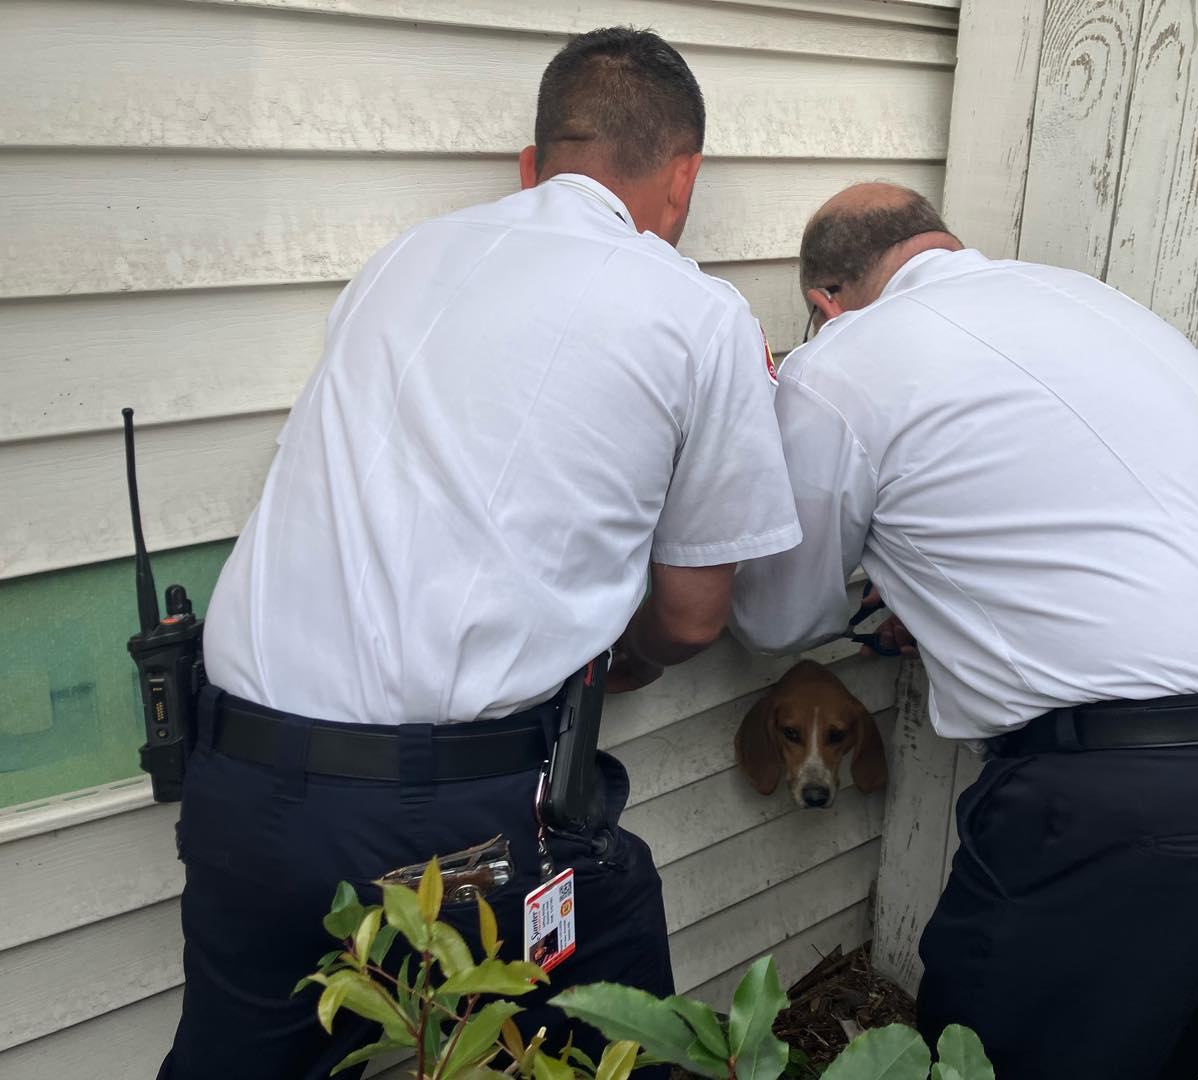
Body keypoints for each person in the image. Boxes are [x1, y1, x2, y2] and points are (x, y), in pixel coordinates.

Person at [160, 28, 800, 1079]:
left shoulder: (402, 262)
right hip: (446, 819)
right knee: (612, 1021)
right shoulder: (695, 313)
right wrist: (620, 654)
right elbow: (692, 613)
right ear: (681, 181)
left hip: (239, 785)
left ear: (530, 165)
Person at [730, 183, 1198, 1080]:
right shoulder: (1088, 300)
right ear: (941, 242)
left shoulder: (844, 361)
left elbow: (776, 615)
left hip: (1150, 809)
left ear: (826, 303)